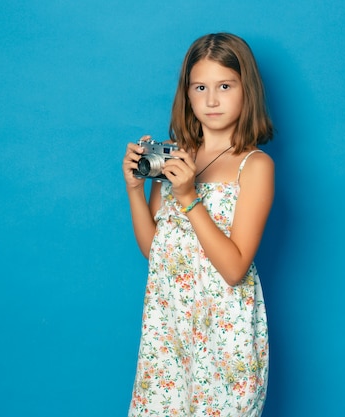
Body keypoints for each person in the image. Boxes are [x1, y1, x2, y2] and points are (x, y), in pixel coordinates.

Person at [122, 33, 274, 416]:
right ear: (186, 94)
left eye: (225, 86)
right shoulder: (178, 156)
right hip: (170, 328)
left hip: (223, 333)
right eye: (200, 87)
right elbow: (154, 250)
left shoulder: (254, 166)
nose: (211, 100)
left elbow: (235, 267)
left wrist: (189, 197)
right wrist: (135, 189)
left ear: (247, 90)